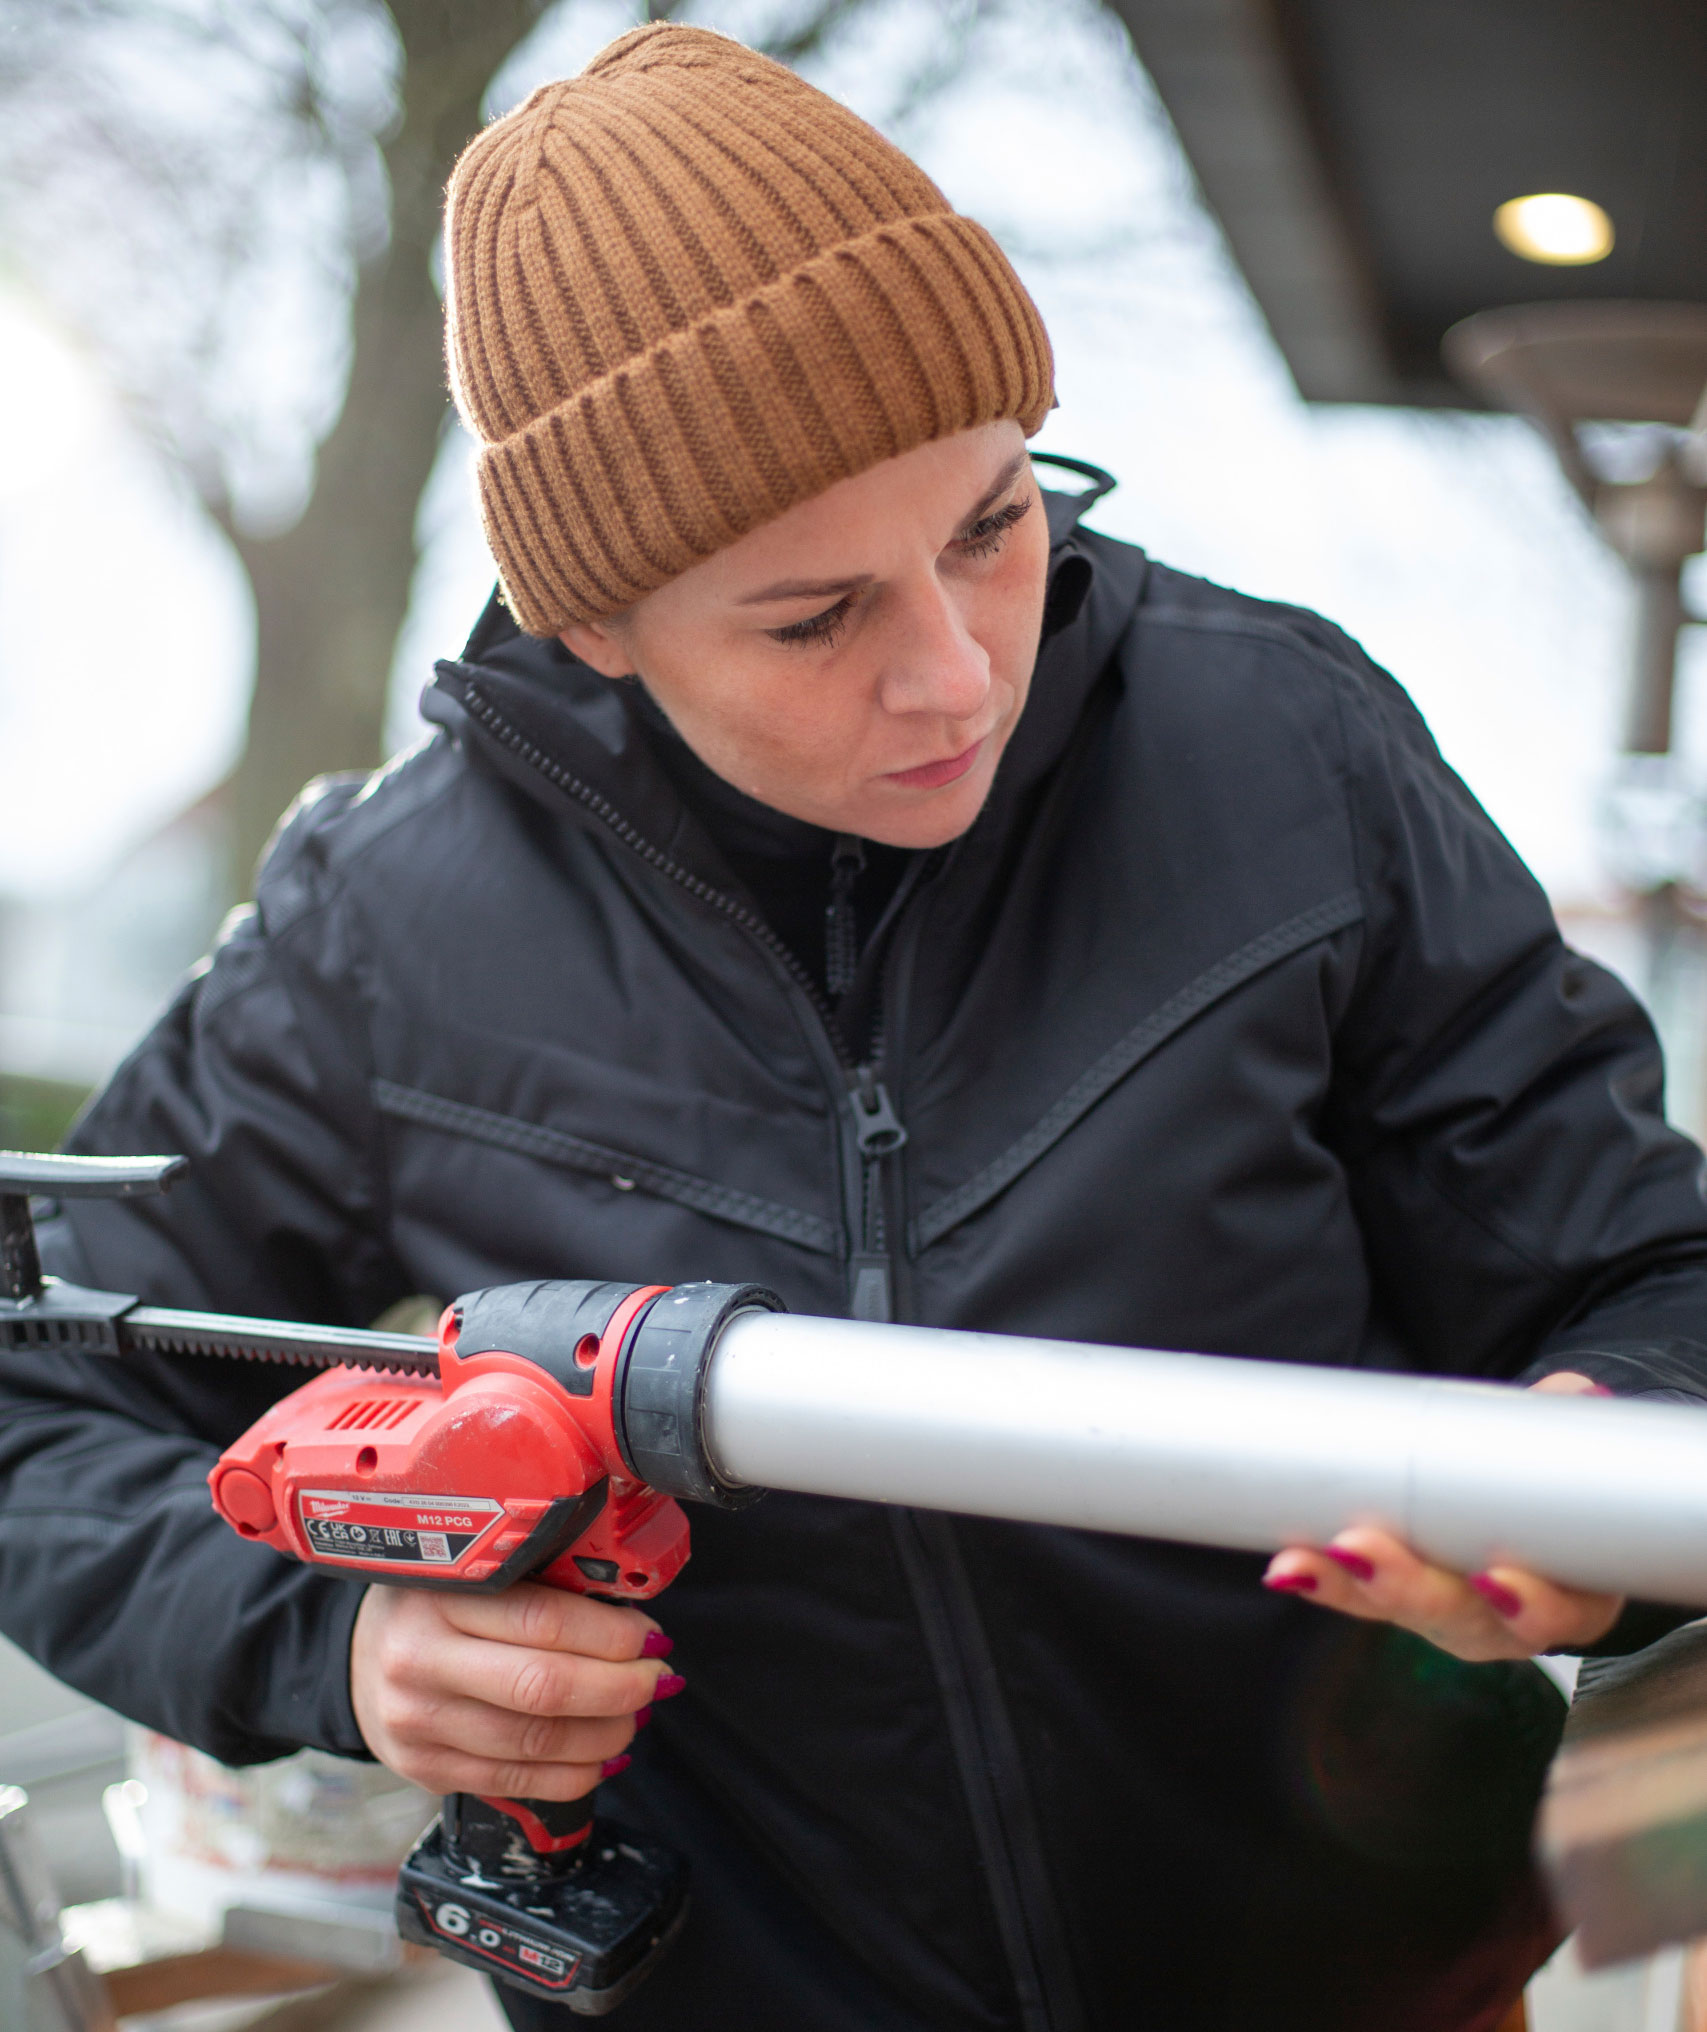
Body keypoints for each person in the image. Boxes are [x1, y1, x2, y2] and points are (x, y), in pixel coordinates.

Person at [3, 24, 1706, 2031]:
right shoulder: (372, 929)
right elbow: (32, 1392)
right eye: (812, 617)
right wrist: (333, 1642)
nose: (951, 670)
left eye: (992, 518)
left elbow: (1641, 1275)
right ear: (592, 622)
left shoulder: (1284, 744)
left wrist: (1594, 1490)